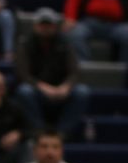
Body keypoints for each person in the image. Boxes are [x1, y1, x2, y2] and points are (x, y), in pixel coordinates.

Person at [14, 7, 90, 138]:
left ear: (55, 26)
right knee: (24, 91)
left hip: (61, 92)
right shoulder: (25, 45)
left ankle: (62, 133)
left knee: (82, 92)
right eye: (42, 24)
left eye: (49, 24)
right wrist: (43, 87)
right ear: (35, 26)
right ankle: (39, 131)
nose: (46, 28)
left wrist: (66, 86)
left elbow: (75, 72)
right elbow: (23, 74)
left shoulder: (65, 44)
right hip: (38, 91)